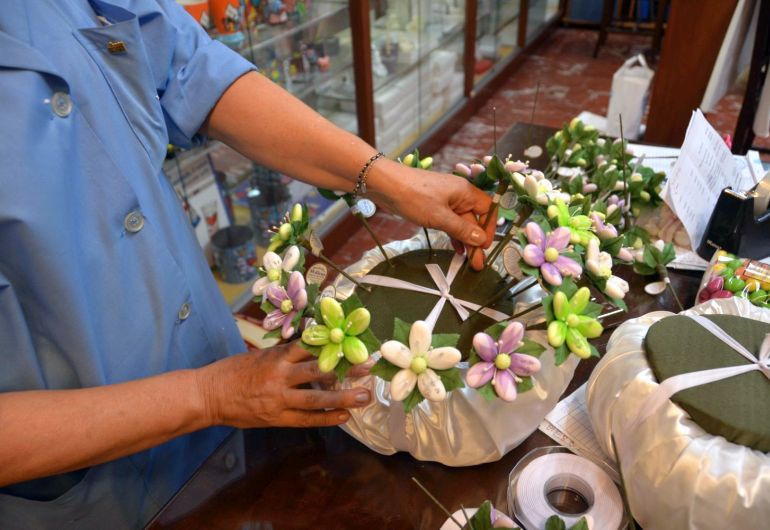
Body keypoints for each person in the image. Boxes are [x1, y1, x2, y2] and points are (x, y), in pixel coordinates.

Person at [0, 0, 495, 524]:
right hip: (94, 494)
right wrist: (207, 394)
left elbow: (193, 69)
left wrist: (387, 181)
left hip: (218, 396)